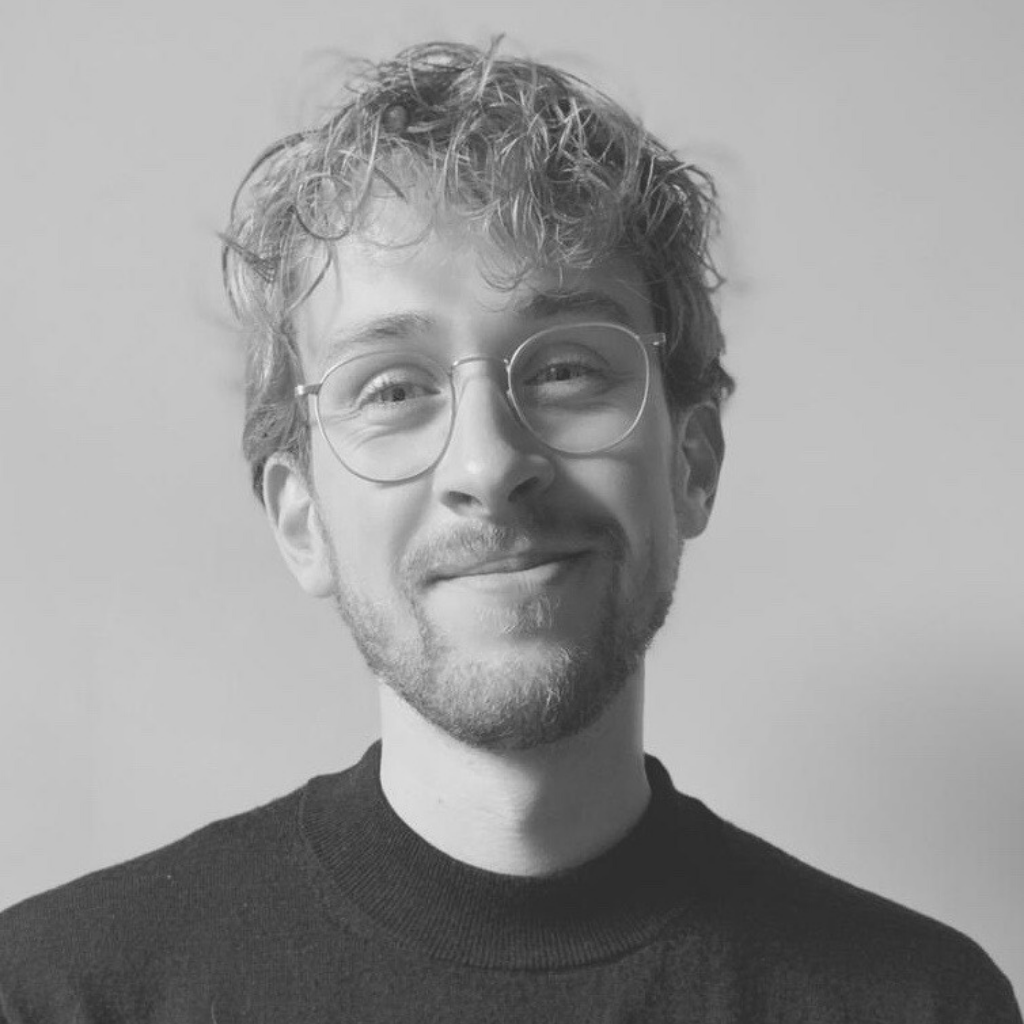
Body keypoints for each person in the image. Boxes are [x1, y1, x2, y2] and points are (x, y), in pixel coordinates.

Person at [0, 39, 1019, 1024]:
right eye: (392, 389)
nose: (489, 467)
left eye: (567, 369)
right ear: (300, 522)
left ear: (692, 464)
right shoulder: (60, 997)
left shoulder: (921, 1005)